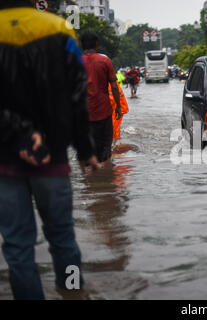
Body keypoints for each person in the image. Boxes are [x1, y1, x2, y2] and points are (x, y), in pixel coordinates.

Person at [0, 0, 100, 300]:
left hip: (4, 160)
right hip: (53, 158)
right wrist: (85, 149)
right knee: (63, 238)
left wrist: (17, 135)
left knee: (17, 247)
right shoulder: (58, 28)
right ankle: (71, 291)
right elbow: (77, 94)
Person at [81, 32, 122, 164]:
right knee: (105, 149)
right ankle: (104, 178)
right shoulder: (105, 61)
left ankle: (90, 180)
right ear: (96, 45)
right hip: (103, 111)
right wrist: (118, 107)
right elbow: (115, 87)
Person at [108, 80, 129, 146]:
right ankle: (113, 145)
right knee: (114, 128)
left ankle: (113, 145)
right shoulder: (111, 81)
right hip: (116, 108)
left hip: (115, 109)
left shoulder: (109, 83)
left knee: (114, 129)